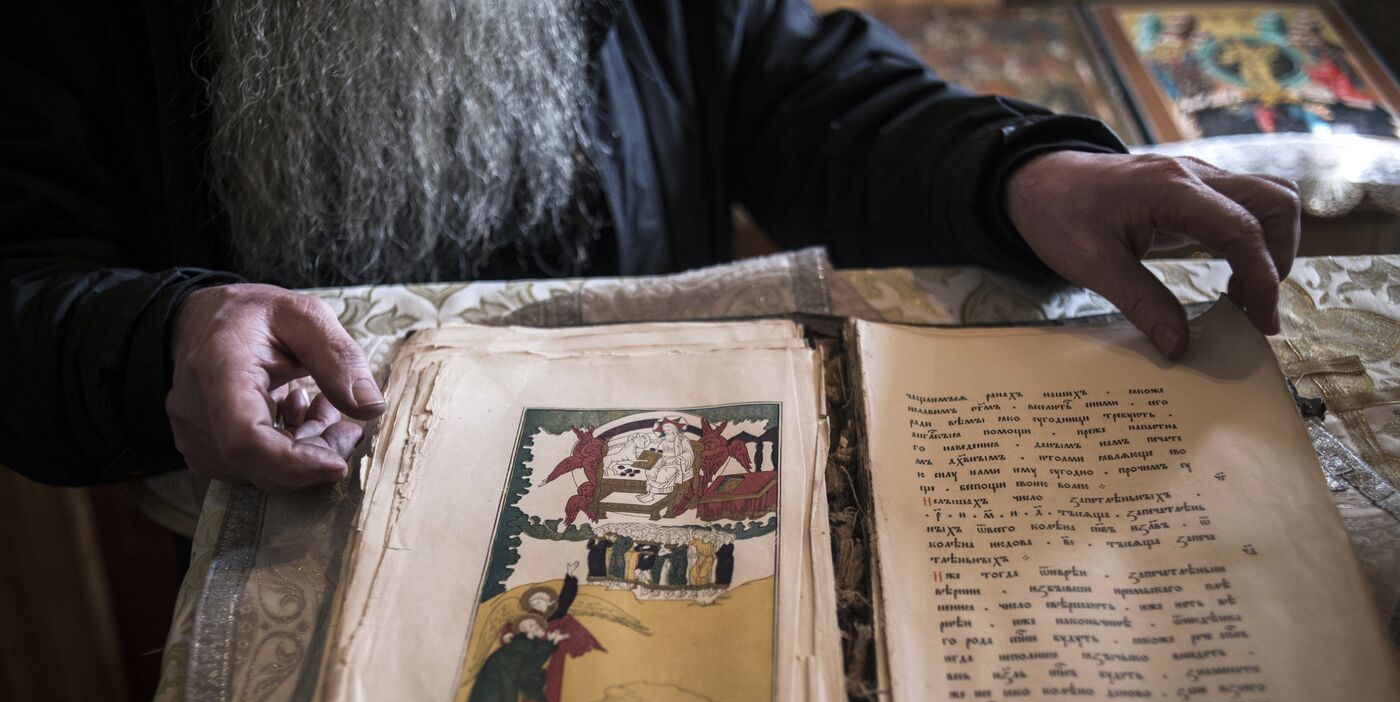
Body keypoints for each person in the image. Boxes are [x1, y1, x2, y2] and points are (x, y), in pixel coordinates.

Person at [1, 1, 1300, 490]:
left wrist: (1025, 172)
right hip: (298, 499)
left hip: (664, 465)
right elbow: (24, 281)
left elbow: (782, 82)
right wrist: (166, 330)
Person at [510, 562, 605, 702]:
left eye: (541, 601)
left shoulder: (557, 613)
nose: (537, 604)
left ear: (549, 603)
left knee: (553, 686)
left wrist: (569, 576)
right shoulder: (530, 618)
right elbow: (515, 629)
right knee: (533, 686)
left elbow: (567, 597)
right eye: (534, 602)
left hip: (555, 655)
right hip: (535, 656)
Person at [459, 614, 567, 702]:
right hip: (496, 676)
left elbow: (535, 660)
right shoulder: (520, 641)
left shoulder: (531, 642)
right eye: (529, 625)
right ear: (523, 629)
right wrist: (551, 642)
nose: (533, 627)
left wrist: (552, 642)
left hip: (509, 678)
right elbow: (533, 652)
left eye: (534, 625)